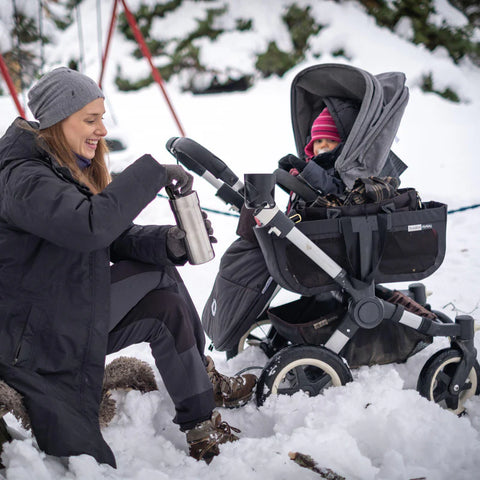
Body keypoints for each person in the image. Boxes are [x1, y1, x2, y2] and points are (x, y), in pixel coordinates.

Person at [0, 67, 256, 468]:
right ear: (58, 121)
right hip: (31, 339)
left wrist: (168, 242)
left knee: (165, 307)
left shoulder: (56, 167)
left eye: (102, 118)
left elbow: (109, 235)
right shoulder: (25, 179)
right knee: (158, 275)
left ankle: (200, 424)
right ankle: (205, 380)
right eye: (91, 119)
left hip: (56, 318)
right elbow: (91, 226)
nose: (102, 130)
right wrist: (152, 174)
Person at [279, 106, 345, 196]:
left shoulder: (338, 167)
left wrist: (307, 171)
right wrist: (289, 178)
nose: (323, 145)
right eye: (319, 141)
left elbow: (335, 190)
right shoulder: (309, 163)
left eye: (331, 140)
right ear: (311, 145)